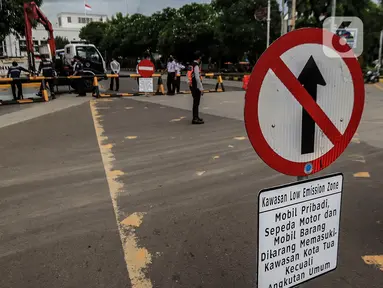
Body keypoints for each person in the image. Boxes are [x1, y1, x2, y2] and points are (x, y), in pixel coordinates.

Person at [190, 52, 204, 124]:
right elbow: (197, 77)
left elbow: (188, 75)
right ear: (199, 58)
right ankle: (195, 118)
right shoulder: (196, 66)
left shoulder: (192, 65)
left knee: (196, 103)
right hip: (196, 86)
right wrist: (201, 88)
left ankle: (196, 116)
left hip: (193, 85)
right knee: (196, 103)